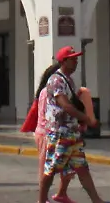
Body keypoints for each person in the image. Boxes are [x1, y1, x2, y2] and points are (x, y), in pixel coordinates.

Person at [37, 46, 110, 203]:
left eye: (76, 59)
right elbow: (66, 106)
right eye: (73, 59)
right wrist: (87, 119)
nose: (76, 61)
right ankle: (41, 200)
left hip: (71, 133)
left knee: (82, 168)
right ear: (64, 61)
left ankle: (97, 200)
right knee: (51, 169)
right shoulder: (56, 80)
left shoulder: (68, 80)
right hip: (59, 133)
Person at [32, 61, 76, 203]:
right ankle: (42, 199)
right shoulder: (47, 92)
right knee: (48, 168)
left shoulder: (53, 90)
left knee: (66, 165)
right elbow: (48, 115)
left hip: (51, 131)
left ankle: (61, 193)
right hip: (47, 132)